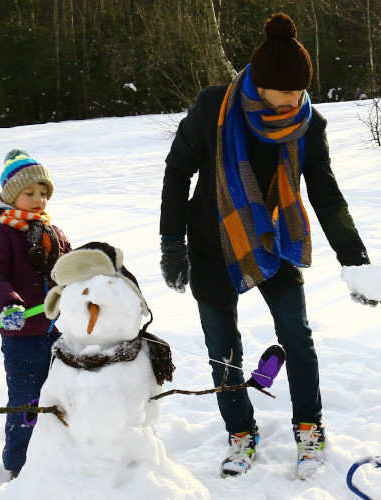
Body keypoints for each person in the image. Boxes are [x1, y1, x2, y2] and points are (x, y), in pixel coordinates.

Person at [159, 13, 377, 479]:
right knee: (223, 347)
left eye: (302, 92)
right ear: (261, 84)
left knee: (297, 336)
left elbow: (324, 191)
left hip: (272, 240)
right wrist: (171, 243)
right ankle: (240, 433)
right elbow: (178, 172)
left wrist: (354, 258)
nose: (296, 100)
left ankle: (310, 427)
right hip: (212, 241)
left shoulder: (306, 123)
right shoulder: (215, 108)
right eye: (289, 92)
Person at [0, 149, 71, 479]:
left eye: (43, 193)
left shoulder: (54, 233)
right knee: (26, 400)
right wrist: (7, 305)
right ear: (11, 196)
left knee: (64, 393)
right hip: (22, 337)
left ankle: (63, 452)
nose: (38, 199)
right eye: (29, 193)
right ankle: (20, 465)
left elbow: (70, 272)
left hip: (61, 332)